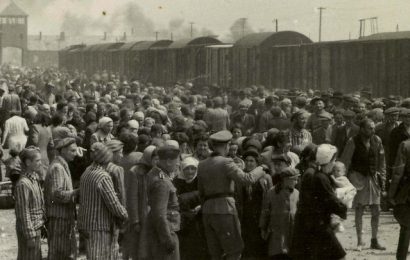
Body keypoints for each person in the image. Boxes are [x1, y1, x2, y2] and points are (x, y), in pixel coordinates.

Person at [197, 130, 266, 260]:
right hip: (225, 210)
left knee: (215, 252)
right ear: (226, 146)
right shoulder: (226, 162)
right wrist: (261, 168)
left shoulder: (202, 164)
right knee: (234, 250)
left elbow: (201, 192)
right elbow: (247, 179)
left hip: (207, 211)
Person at [291, 144, 347, 260]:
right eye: (334, 160)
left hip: (312, 224)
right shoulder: (320, 177)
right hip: (317, 225)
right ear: (328, 160)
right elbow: (331, 200)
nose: (334, 163)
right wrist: (343, 206)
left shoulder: (317, 174)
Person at [340, 118, 386, 251]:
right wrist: (345, 182)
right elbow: (345, 161)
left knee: (376, 210)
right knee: (359, 210)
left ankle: (374, 240)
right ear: (362, 129)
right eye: (369, 128)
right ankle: (360, 241)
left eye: (373, 128)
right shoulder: (352, 141)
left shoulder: (377, 140)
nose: (372, 130)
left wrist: (382, 178)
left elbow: (382, 162)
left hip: (373, 179)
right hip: (358, 178)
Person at [78, 142, 128, 259]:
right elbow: (113, 203)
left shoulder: (87, 171)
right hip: (100, 226)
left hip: (87, 224)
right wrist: (125, 215)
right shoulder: (103, 176)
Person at [44, 137, 79, 259]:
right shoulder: (57, 168)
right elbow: (56, 194)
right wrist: (76, 193)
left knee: (64, 252)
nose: (75, 154)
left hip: (63, 216)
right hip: (59, 217)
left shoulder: (62, 165)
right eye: (72, 151)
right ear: (63, 150)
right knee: (58, 253)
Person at [146, 143, 181, 260]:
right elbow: (160, 214)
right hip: (165, 232)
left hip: (159, 231)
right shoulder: (162, 182)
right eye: (177, 161)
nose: (178, 164)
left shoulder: (154, 174)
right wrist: (167, 240)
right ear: (169, 161)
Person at [235, 149, 272, 258]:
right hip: (246, 216)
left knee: (261, 244)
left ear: (257, 163)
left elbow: (270, 197)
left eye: (252, 161)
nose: (249, 163)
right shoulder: (241, 177)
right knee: (247, 245)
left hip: (260, 215)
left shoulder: (265, 177)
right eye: (246, 161)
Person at [260, 167, 299, 259]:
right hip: (277, 230)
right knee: (277, 253)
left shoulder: (296, 193)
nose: (296, 182)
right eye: (294, 179)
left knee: (289, 253)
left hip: (291, 229)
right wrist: (263, 227)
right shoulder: (272, 192)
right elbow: (265, 211)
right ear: (285, 180)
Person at [14, 146, 46, 260]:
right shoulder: (23, 184)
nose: (40, 163)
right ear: (28, 162)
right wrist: (29, 235)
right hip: (29, 230)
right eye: (37, 161)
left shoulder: (34, 179)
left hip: (36, 227)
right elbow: (23, 212)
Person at [173, 157, 208, 260]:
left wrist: (201, 206)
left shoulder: (201, 180)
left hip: (199, 217)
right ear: (182, 169)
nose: (190, 171)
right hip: (184, 219)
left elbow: (206, 197)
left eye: (193, 168)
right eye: (187, 169)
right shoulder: (177, 181)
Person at [388, 138, 410, 260]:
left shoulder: (405, 145)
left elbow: (397, 174)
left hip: (407, 191)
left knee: (406, 226)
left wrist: (391, 194)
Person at [329, 161, 357, 233]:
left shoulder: (343, 178)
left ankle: (339, 224)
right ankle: (338, 224)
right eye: (334, 170)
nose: (336, 172)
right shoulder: (338, 177)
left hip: (346, 195)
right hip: (344, 196)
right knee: (337, 212)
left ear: (344, 172)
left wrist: (334, 180)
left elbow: (341, 185)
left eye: (338, 171)